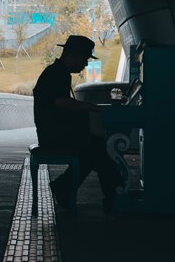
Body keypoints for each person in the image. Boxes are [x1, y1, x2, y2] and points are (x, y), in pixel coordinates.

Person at [33, 35, 121, 214]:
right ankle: (113, 199)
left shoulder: (57, 72)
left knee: (94, 152)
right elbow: (60, 102)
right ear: (73, 55)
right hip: (56, 136)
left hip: (55, 134)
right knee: (103, 152)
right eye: (85, 59)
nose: (86, 64)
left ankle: (65, 187)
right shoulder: (57, 74)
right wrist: (92, 108)